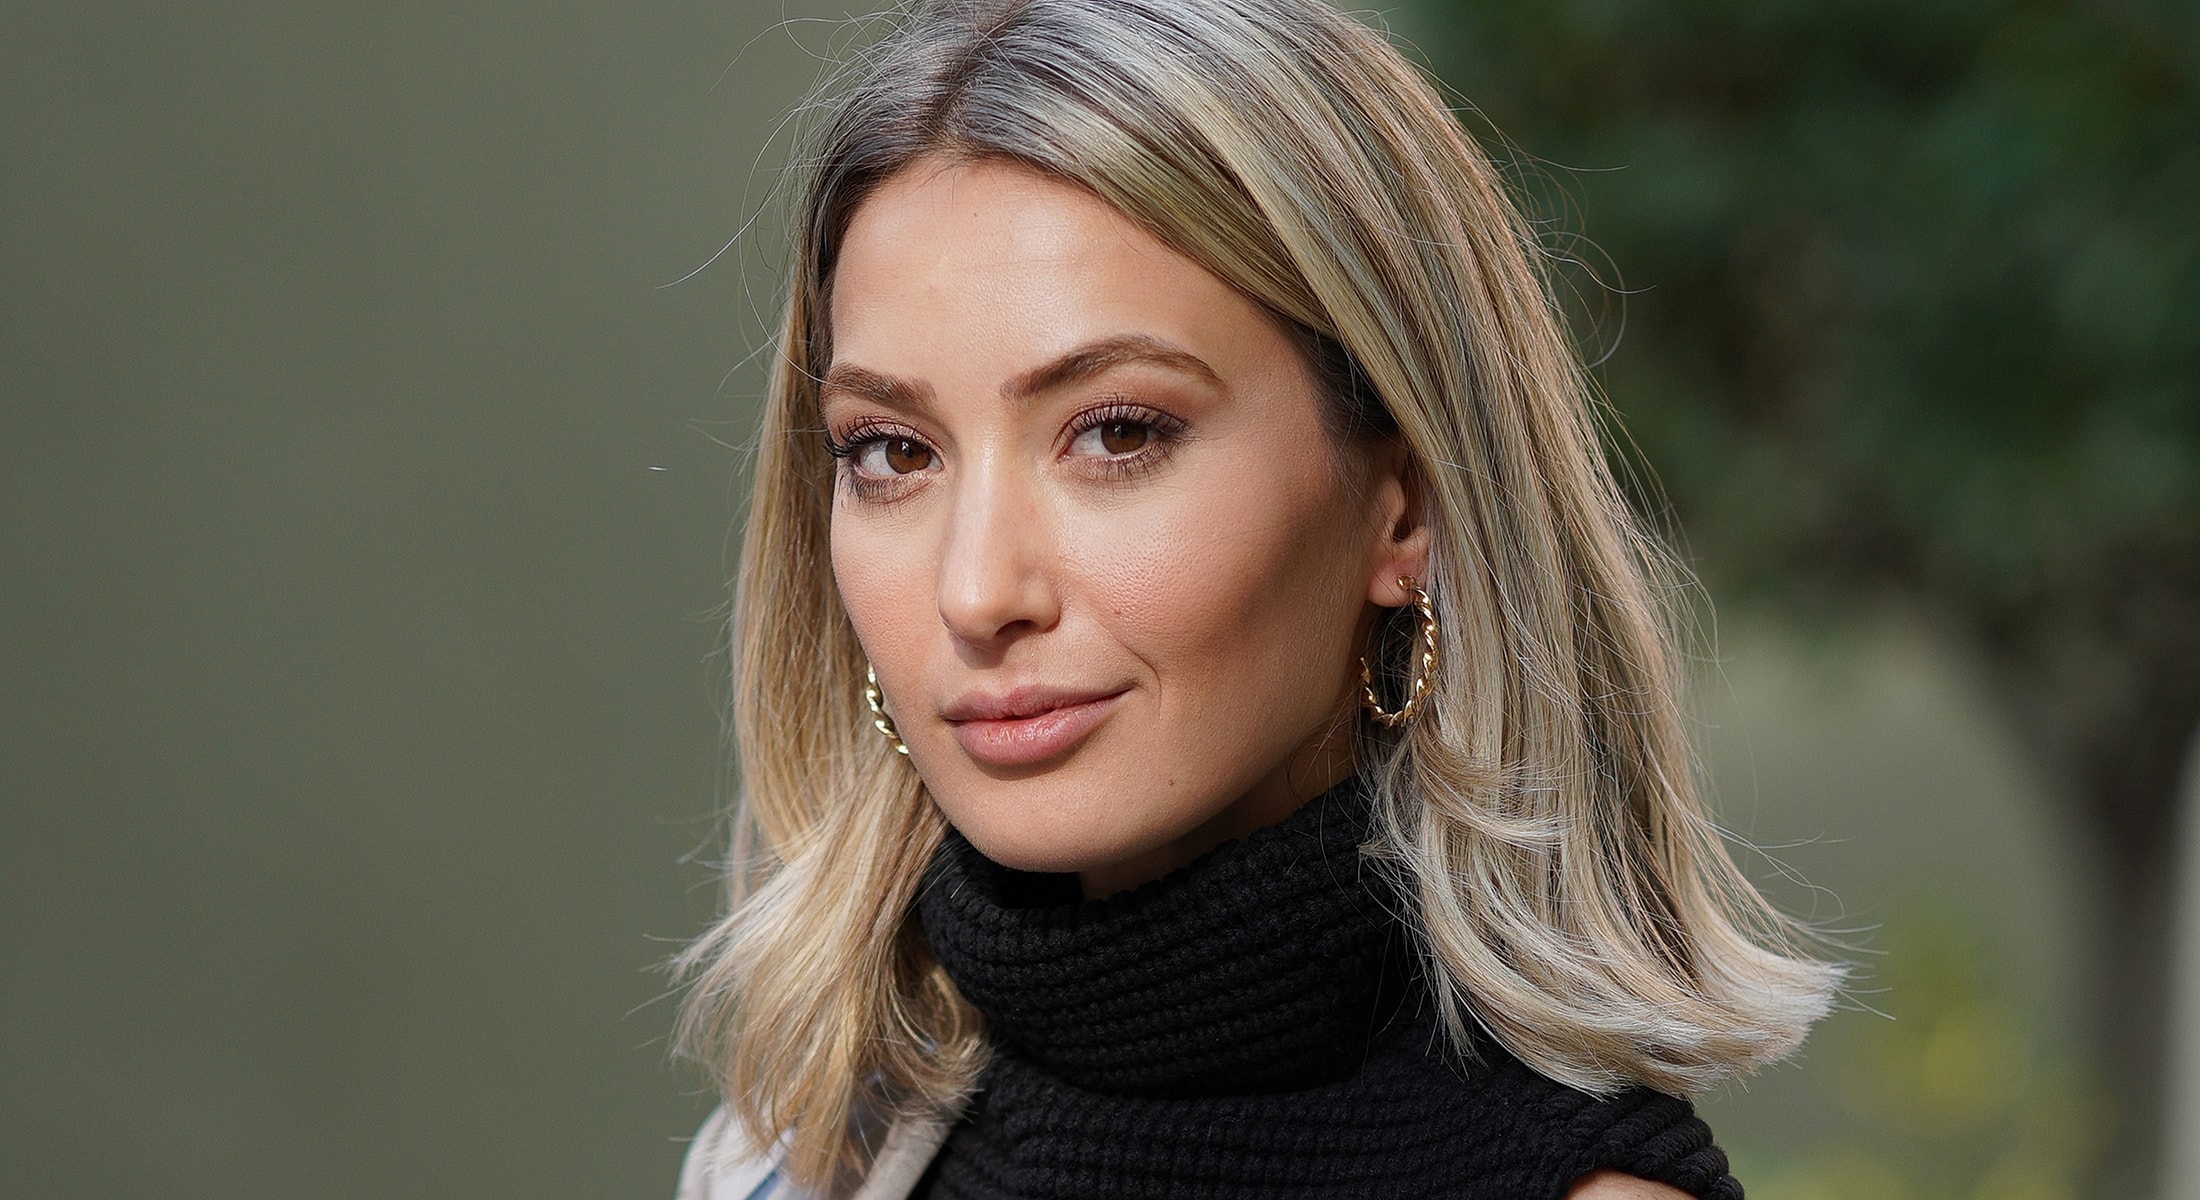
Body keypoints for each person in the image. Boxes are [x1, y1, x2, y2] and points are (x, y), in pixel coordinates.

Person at [672, 0, 1842, 1196]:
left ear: (1405, 505)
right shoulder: (789, 1161)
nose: (974, 593)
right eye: (892, 453)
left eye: (1117, 432)